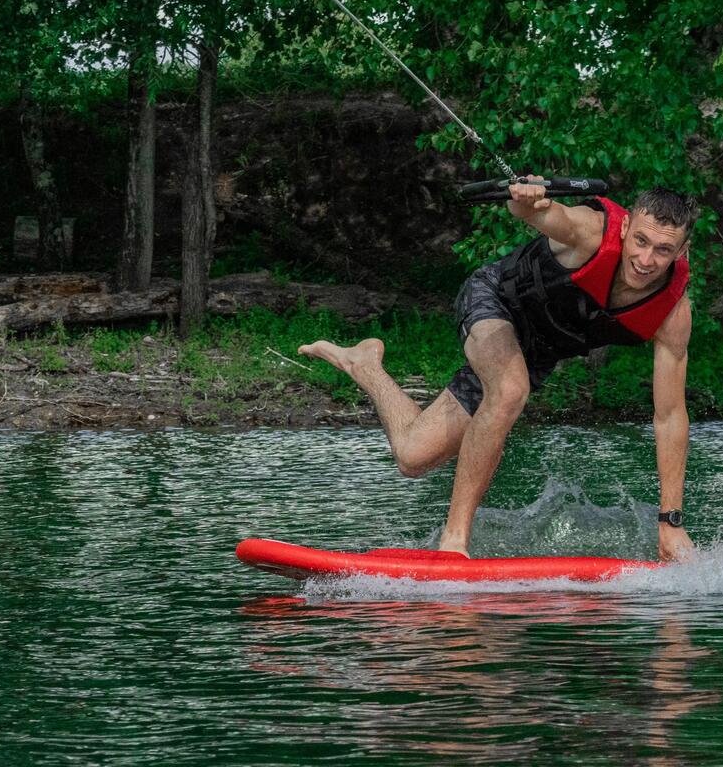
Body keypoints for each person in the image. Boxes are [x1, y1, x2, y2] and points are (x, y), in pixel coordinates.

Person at [298, 177, 697, 561]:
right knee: (508, 390)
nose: (646, 260)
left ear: (681, 250)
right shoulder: (591, 231)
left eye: (663, 250)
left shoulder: (672, 314)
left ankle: (365, 364)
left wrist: (671, 521)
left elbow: (670, 415)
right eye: (640, 241)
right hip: (494, 301)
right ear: (625, 226)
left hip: (534, 352)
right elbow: (544, 215)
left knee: (412, 456)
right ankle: (454, 541)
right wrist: (526, 200)